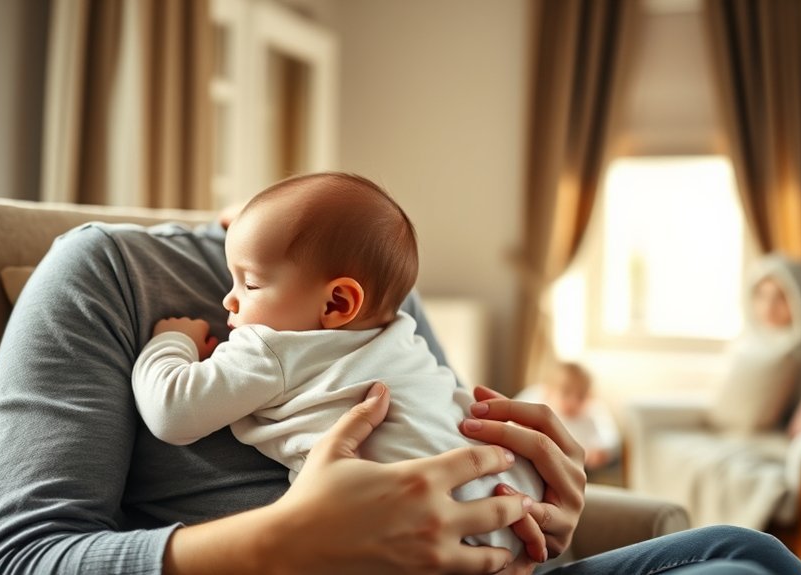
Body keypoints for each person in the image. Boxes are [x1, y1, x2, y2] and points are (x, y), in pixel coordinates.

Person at [0, 172, 801, 574]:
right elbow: (14, 560)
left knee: (748, 549)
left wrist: (526, 507)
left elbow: (436, 451)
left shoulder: (377, 305)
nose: (230, 301)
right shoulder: (104, 271)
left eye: (249, 279)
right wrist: (282, 539)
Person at [131, 173, 543, 557]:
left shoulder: (274, 348)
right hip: (506, 512)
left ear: (337, 303)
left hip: (403, 540)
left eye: (250, 283)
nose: (229, 300)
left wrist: (173, 341)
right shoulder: (401, 334)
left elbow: (173, 412)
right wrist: (256, 232)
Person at [518, 362, 621, 474]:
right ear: (549, 391)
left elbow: (610, 438)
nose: (573, 402)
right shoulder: (537, 399)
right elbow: (513, 411)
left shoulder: (593, 413)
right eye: (566, 392)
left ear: (589, 396)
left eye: (581, 396)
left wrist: (600, 452)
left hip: (576, 466)